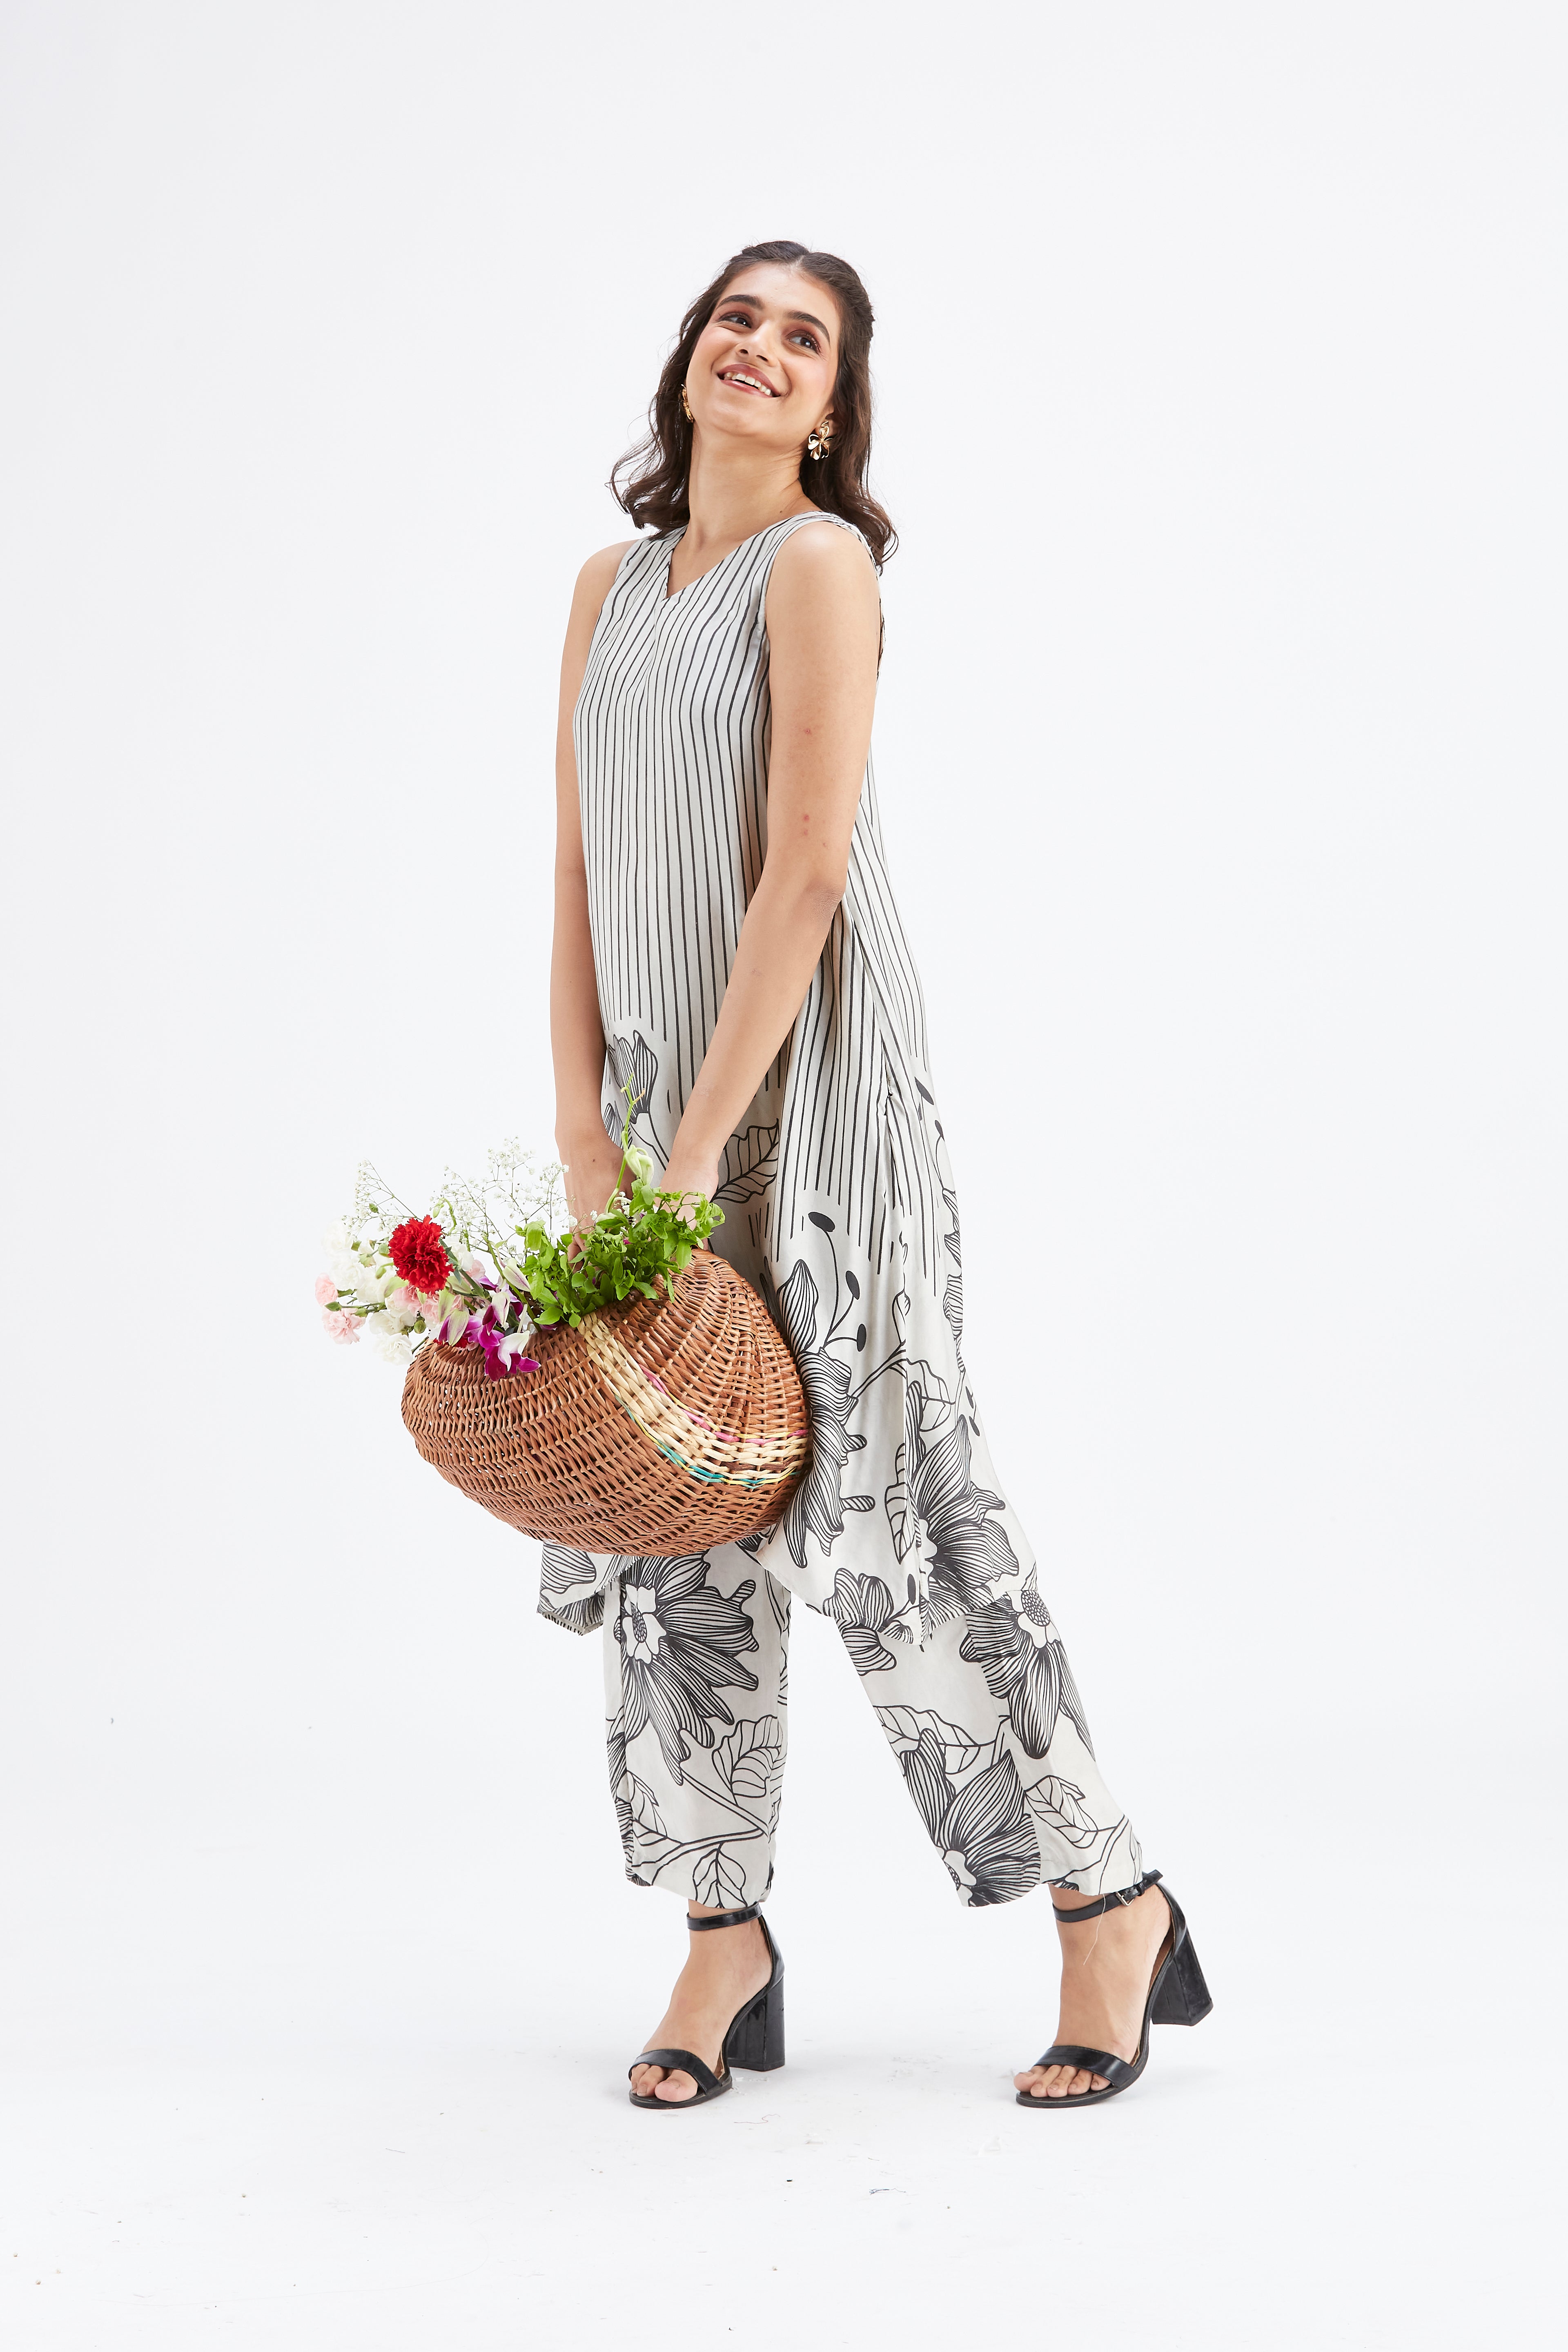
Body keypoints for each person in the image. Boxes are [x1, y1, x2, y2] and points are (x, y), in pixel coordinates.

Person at [545, 240, 1210, 2111]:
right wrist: (592, 1135)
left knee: (897, 1517)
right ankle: (722, 1940)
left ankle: (1109, 1902)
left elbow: (810, 868)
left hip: (819, 1119)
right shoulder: (605, 587)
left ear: (836, 407)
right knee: (674, 1524)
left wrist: (699, 1150)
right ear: (689, 356)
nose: (758, 348)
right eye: (735, 317)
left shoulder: (819, 565)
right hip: (655, 1117)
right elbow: (580, 870)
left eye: (804, 336)